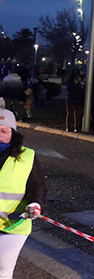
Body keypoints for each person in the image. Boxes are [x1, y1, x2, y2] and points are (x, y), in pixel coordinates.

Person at [0, 101, 46, 279]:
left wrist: (36, 203)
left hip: (14, 224)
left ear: (13, 133)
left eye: (4, 131)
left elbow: (37, 185)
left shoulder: (27, 156)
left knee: (3, 270)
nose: (0, 135)